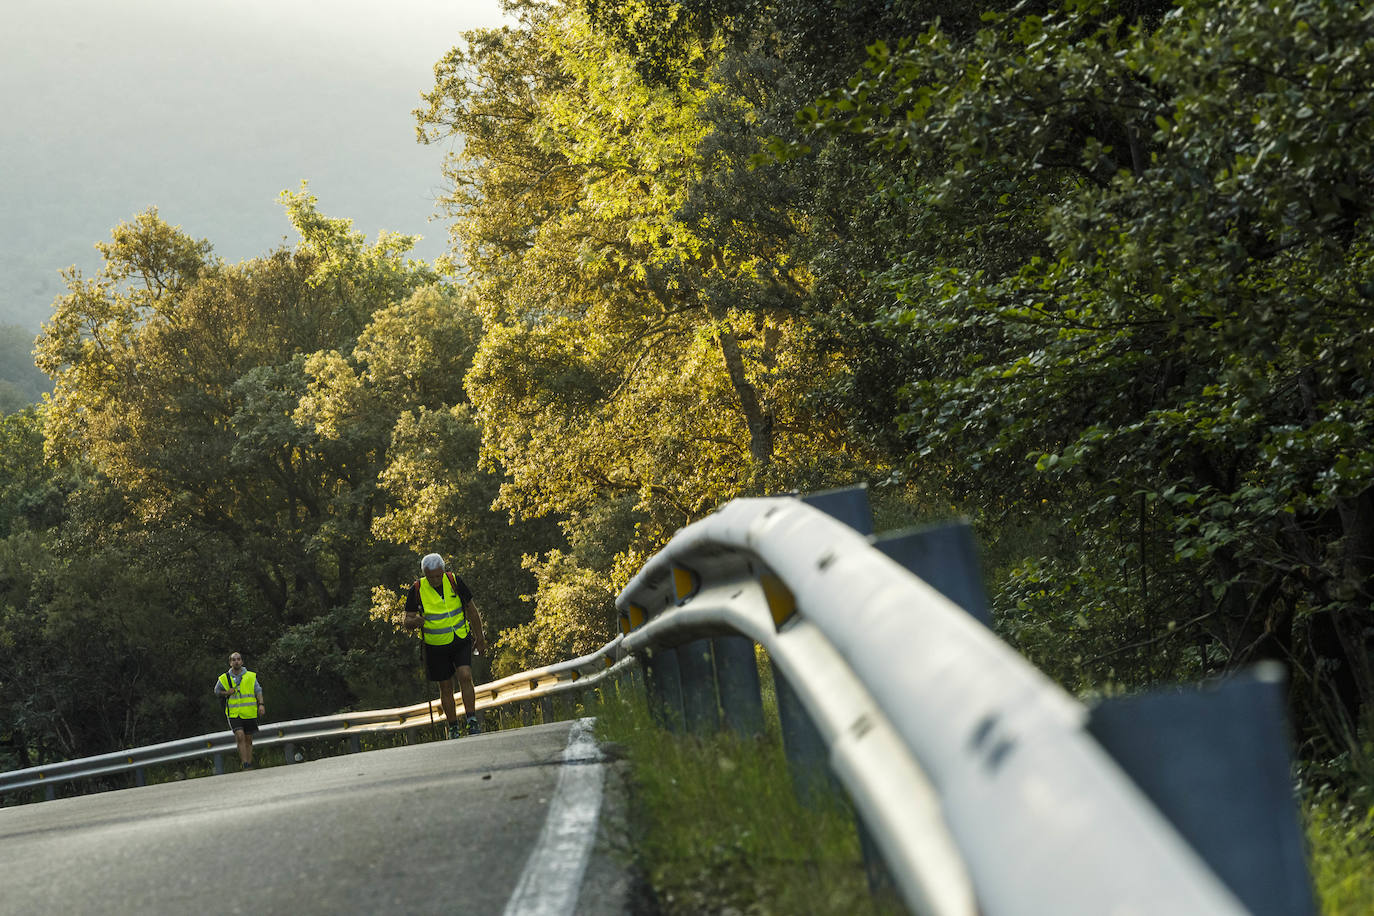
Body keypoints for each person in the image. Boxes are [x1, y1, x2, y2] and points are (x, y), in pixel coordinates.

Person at [403, 552, 487, 739]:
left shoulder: (454, 580)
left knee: (465, 675)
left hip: (460, 638)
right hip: (435, 645)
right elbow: (407, 621)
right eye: (431, 576)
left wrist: (479, 637)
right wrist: (416, 621)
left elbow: (471, 610)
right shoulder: (417, 588)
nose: (435, 579)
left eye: (438, 575)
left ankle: (471, 720)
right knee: (446, 686)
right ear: (425, 574)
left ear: (443, 570)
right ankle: (453, 726)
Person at [213, 651, 265, 770]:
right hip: (233, 713)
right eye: (234, 660)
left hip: (249, 712)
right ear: (230, 663)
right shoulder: (224, 678)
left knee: (248, 738)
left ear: (242, 661)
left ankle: (249, 762)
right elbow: (216, 691)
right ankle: (245, 763)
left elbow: (258, 690)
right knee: (240, 735)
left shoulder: (251, 676)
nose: (236, 661)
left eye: (238, 659)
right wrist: (226, 693)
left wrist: (261, 704)